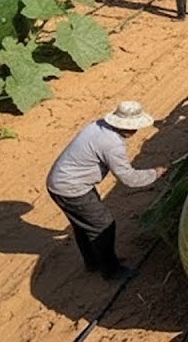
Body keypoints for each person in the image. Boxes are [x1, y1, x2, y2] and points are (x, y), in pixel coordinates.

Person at [46, 101, 165, 280]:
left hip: (59, 182)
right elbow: (128, 178)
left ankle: (93, 262)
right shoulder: (112, 145)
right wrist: (155, 173)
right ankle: (111, 270)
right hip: (71, 188)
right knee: (103, 225)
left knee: (83, 225)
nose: (135, 131)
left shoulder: (98, 125)